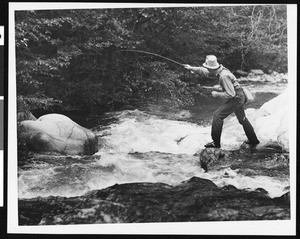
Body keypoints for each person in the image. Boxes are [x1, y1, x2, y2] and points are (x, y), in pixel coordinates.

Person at [184, 55, 260, 148]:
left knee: (217, 116)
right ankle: (253, 140)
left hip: (236, 98)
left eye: (207, 68)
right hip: (240, 95)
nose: (206, 69)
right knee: (242, 119)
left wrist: (217, 94)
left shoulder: (223, 76)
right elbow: (204, 71)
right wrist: (191, 68)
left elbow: (231, 94)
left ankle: (216, 143)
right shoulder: (221, 69)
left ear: (211, 68)